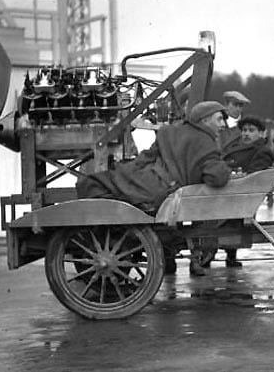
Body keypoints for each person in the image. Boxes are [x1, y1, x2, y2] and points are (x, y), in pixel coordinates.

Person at [76, 101, 231, 276]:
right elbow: (216, 177)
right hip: (160, 192)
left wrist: (127, 174)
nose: (223, 125)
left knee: (99, 182)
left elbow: (145, 159)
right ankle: (114, 233)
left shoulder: (169, 132)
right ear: (204, 120)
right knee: (110, 185)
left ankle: (97, 231)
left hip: (149, 181)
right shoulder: (206, 143)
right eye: (219, 120)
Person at [218, 115, 274, 267]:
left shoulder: (262, 151)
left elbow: (254, 176)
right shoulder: (235, 147)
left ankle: (223, 254)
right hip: (229, 192)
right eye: (244, 130)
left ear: (261, 133)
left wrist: (233, 174)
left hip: (241, 196)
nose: (246, 134)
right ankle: (226, 255)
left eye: (251, 130)